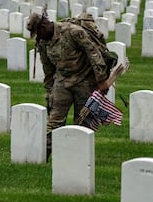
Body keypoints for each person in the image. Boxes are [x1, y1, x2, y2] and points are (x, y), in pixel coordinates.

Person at [26, 10, 110, 156]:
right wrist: (49, 91)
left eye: (37, 33)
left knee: (82, 121)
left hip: (84, 81)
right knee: (54, 120)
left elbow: (93, 53)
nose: (38, 37)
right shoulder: (43, 42)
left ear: (44, 26)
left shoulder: (73, 32)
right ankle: (44, 154)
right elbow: (48, 69)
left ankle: (78, 156)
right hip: (62, 82)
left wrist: (101, 79)